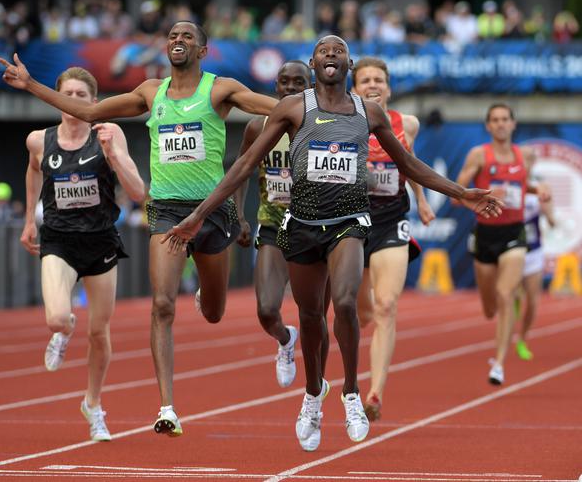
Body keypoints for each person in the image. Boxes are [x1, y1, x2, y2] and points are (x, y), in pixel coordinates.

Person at [161, 35, 502, 451]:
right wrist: (199, 215)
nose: (331, 57)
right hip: (302, 223)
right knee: (309, 318)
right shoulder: (293, 108)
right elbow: (245, 165)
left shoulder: (367, 112)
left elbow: (410, 164)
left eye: (338, 52)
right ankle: (312, 396)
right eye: (324, 52)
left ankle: (352, 393)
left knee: (344, 302)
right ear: (313, 62)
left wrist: (462, 194)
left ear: (348, 64)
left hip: (349, 222)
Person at [0, 21, 277, 437]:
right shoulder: (151, 92)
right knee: (162, 305)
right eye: (172, 36)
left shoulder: (220, 89)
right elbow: (90, 111)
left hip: (211, 210)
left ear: (203, 50)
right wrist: (31, 84)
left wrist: (320, 109)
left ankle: (206, 288)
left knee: (215, 313)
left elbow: (271, 106)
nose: (177, 41)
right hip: (165, 210)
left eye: (186, 37)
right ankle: (167, 406)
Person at [19, 66, 145, 441]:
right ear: (56, 98)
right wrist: (29, 220)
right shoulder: (39, 140)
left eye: (80, 96)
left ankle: (93, 404)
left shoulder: (108, 132)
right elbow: (32, 172)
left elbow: (138, 191)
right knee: (58, 318)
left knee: (99, 332)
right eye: (67, 94)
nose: (72, 101)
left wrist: (113, 155)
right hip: (58, 239)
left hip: (101, 240)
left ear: (94, 102)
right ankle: (62, 331)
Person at [351, 56, 436, 422]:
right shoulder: (340, 122)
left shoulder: (407, 124)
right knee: (361, 311)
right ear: (354, 88)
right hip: (350, 223)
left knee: (386, 306)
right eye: (366, 79)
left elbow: (408, 160)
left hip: (391, 221)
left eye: (379, 80)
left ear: (388, 87)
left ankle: (374, 391)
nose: (373, 85)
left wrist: (420, 198)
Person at [235, 60, 329, 389]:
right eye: (284, 81)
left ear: (312, 86)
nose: (290, 87)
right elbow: (242, 168)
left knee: (315, 312)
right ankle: (286, 339)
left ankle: (316, 383)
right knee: (265, 310)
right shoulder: (258, 126)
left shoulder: (324, 125)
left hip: (317, 227)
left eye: (298, 82)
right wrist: (240, 216)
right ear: (275, 86)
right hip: (274, 224)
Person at [455, 103, 548, 385]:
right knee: (489, 308)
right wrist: (482, 200)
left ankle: (498, 363)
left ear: (513, 124)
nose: (500, 124)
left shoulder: (526, 156)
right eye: (494, 120)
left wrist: (537, 189)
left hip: (515, 233)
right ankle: (499, 314)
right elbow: (456, 193)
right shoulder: (479, 155)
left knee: (506, 295)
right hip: (485, 234)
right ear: (488, 126)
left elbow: (520, 186)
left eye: (505, 119)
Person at [515, 185, 555, 360]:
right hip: (512, 250)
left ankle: (522, 339)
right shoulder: (508, 185)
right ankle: (514, 304)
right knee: (512, 294)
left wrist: (547, 210)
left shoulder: (540, 189)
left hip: (534, 252)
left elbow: (552, 221)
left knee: (532, 301)